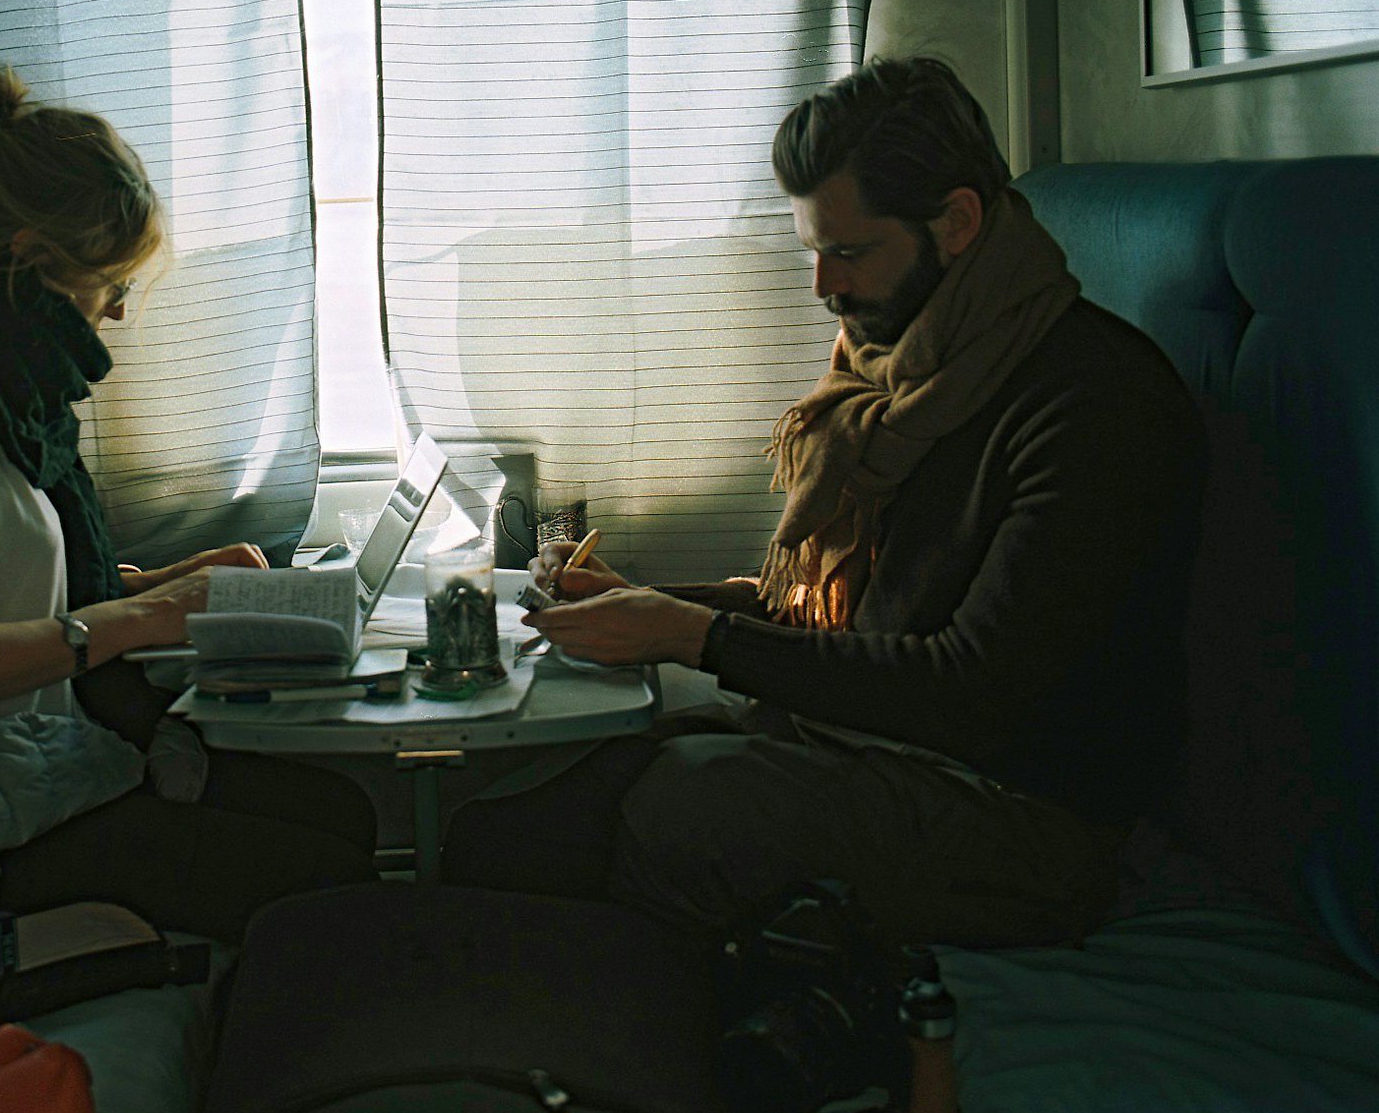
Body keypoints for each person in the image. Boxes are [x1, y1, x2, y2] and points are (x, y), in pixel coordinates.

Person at [443, 56, 1206, 950]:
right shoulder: (903, 375)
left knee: (685, 799)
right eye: (813, 251)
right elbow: (842, 616)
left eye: (848, 253)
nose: (823, 289)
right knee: (515, 820)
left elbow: (970, 691)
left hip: (1021, 815)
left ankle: (648, 1055)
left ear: (956, 222)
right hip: (880, 747)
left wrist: (691, 638)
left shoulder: (1093, 405)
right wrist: (656, 606)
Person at [0, 66, 376, 947]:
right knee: (315, 868)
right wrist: (140, 616)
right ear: (28, 255)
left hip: (25, 765)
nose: (122, 311)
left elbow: (14, 595)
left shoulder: (2, 385)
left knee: (337, 810)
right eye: (110, 283)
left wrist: (176, 579)